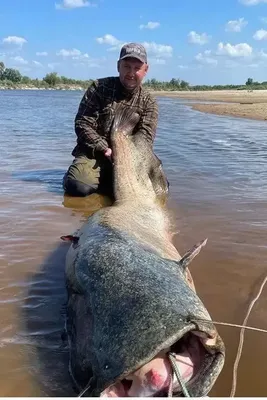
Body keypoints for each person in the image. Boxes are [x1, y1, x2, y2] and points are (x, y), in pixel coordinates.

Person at [63, 42, 166, 199]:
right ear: (118, 66)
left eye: (137, 68)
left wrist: (124, 157)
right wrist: (105, 149)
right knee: (78, 188)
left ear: (146, 70)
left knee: (160, 190)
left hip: (130, 158)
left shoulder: (149, 101)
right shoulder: (98, 88)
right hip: (95, 153)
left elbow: (146, 138)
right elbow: (82, 124)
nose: (131, 73)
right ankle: (76, 175)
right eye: (126, 66)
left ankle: (107, 181)